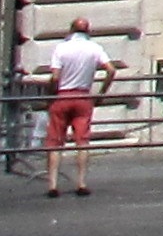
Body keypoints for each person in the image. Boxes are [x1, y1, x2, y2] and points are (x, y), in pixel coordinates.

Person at [44, 18, 114, 198]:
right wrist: (101, 93)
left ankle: (53, 184)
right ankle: (81, 182)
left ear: (71, 30)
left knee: (55, 141)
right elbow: (111, 70)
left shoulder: (61, 48)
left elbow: (55, 76)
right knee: (82, 141)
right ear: (88, 30)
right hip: (83, 96)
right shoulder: (95, 48)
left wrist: (50, 94)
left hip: (63, 95)